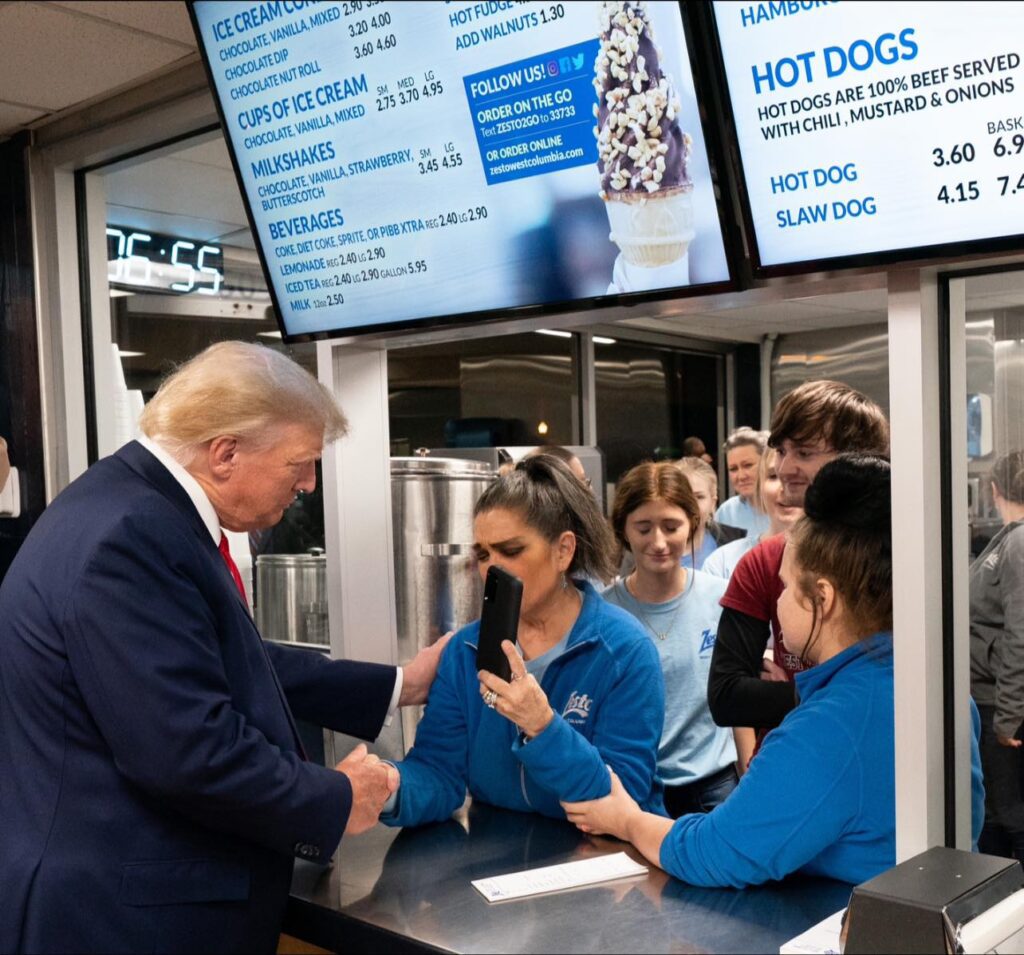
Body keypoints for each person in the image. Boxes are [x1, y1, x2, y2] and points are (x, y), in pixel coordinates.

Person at [0, 342, 449, 955]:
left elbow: (218, 661)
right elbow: (190, 751)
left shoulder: (121, 505)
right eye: (301, 463)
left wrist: (402, 684)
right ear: (225, 453)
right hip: (122, 919)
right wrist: (337, 799)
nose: (309, 484)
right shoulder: (130, 538)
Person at [564, 456, 903, 885]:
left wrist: (627, 820)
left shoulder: (828, 727)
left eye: (783, 587)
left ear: (823, 598)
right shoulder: (922, 687)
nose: (775, 604)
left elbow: (715, 851)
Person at [380, 454, 666, 828]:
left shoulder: (623, 650)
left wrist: (543, 725)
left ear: (563, 550)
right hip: (499, 860)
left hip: (604, 863)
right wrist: (389, 786)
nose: (491, 568)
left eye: (511, 551)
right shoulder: (466, 650)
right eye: (483, 553)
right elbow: (439, 771)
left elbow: (619, 795)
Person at [706, 380, 889, 740]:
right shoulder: (764, 561)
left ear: (855, 459)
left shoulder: (898, 559)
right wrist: (809, 693)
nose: (785, 468)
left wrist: (790, 691)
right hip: (791, 751)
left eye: (804, 453)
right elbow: (727, 696)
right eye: (780, 451)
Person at [604, 462, 739, 816]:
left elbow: (740, 696)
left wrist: (750, 774)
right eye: (644, 528)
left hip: (716, 787)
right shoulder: (603, 613)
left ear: (692, 524)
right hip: (635, 788)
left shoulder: (722, 598)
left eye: (671, 526)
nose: (659, 542)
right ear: (623, 529)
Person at [970, 450, 1024, 861]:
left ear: (993, 490)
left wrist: (1009, 717)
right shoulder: (1006, 538)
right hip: (991, 702)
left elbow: (1020, 633)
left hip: (998, 707)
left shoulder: (1019, 540)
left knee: (1005, 817)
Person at [703, 447, 802, 581]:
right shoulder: (722, 563)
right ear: (760, 487)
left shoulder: (836, 557)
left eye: (799, 478)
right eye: (773, 476)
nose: (785, 487)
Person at [675, 456, 744, 570]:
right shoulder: (646, 554)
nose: (690, 505)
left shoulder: (737, 547)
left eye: (699, 497)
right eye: (681, 496)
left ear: (712, 503)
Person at [714, 428, 771, 538]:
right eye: (733, 469)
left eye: (748, 465)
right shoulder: (726, 512)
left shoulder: (786, 509)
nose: (741, 476)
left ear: (767, 462)